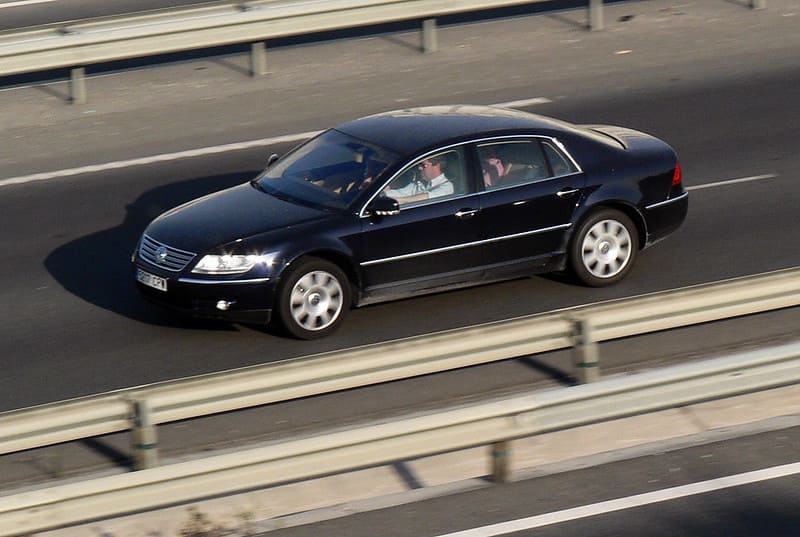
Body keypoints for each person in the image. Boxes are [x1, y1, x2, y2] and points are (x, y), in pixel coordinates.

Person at [384, 156, 454, 204]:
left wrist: (398, 201)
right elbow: (401, 193)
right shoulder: (419, 183)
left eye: (423, 165)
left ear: (436, 166)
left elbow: (427, 197)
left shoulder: (447, 186)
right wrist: (382, 194)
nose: (419, 168)